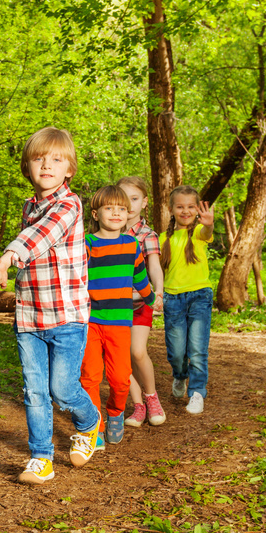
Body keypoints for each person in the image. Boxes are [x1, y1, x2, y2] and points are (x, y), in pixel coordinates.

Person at [0, 127, 101, 485]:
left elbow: (40, 236)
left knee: (62, 389)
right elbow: (33, 255)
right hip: (29, 317)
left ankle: (87, 421)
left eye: (57, 159)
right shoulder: (29, 206)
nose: (47, 165)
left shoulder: (69, 204)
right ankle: (41, 457)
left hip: (66, 316)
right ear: (27, 166)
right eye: (39, 158)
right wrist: (5, 273)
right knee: (34, 390)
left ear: (69, 170)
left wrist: (3, 261)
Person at [80, 185, 156, 447]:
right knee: (90, 376)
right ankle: (95, 426)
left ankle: (115, 413)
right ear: (95, 213)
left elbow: (140, 277)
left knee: (120, 378)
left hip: (120, 323)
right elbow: (76, 278)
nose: (116, 213)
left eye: (121, 209)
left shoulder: (132, 244)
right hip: (90, 321)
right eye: (109, 208)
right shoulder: (86, 244)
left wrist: (151, 299)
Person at [158, 185, 215, 415]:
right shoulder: (163, 238)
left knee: (197, 348)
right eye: (180, 206)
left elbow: (208, 233)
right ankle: (180, 375)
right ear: (171, 209)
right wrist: (158, 294)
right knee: (177, 351)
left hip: (200, 295)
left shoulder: (200, 232)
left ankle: (197, 391)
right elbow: (159, 270)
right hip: (173, 299)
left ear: (197, 210)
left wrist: (209, 223)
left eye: (191, 206)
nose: (185, 211)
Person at [116, 176, 167, 428]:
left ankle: (151, 397)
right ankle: (137, 405)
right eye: (124, 199)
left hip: (140, 302)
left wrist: (159, 291)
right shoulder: (109, 232)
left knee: (137, 351)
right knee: (120, 358)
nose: (129, 205)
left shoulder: (147, 234)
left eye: (134, 199)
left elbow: (155, 266)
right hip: (113, 305)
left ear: (144, 203)